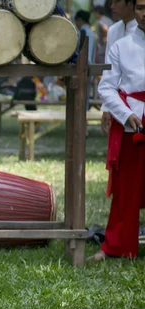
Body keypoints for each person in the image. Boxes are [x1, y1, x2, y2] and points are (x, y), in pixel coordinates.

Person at [88, 0, 145, 262]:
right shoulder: (121, 46)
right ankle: (116, 245)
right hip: (132, 122)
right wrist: (125, 114)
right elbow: (106, 88)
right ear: (134, 10)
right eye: (141, 7)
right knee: (126, 190)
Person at [101, 0, 137, 135]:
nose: (112, 6)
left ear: (131, 4)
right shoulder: (113, 30)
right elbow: (108, 71)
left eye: (116, 2)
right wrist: (106, 107)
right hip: (117, 101)